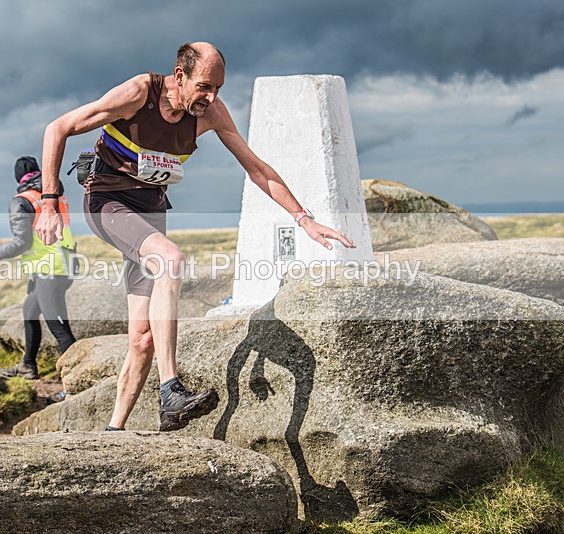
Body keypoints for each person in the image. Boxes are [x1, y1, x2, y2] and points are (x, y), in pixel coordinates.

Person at [35, 42, 355, 431]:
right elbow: (58, 128)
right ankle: (171, 390)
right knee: (170, 259)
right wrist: (49, 202)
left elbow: (258, 170)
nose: (212, 97)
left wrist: (304, 218)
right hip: (108, 201)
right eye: (205, 86)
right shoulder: (139, 94)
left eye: (218, 87)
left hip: (150, 208)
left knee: (143, 338)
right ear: (180, 75)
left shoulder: (212, 113)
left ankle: (114, 430)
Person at [0, 156, 77, 380]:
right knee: (30, 311)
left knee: (61, 332)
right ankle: (27, 365)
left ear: (18, 178)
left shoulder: (21, 201)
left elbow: (23, 242)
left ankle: (76, 382)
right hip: (64, 265)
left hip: (50, 270)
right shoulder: (54, 196)